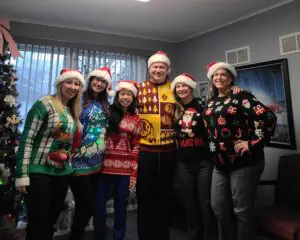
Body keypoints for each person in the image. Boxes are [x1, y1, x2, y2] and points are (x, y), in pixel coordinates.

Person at [203, 61, 277, 240]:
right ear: (212, 80)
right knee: (219, 208)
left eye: (223, 74)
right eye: (215, 75)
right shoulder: (210, 101)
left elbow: (268, 117)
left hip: (244, 162)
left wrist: (252, 143)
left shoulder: (241, 97)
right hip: (220, 165)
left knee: (242, 211)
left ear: (230, 79)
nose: (219, 77)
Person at [15, 68, 85, 240]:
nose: (73, 87)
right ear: (60, 83)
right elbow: (27, 138)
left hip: (62, 173)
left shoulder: (71, 112)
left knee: (50, 222)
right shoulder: (44, 103)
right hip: (39, 172)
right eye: (69, 82)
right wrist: (22, 174)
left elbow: (67, 145)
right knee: (37, 222)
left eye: (77, 84)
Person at [171, 73, 218, 240]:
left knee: (205, 203)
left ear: (191, 87)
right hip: (184, 163)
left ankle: (209, 236)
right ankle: (194, 235)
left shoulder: (202, 105)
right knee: (189, 203)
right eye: (178, 86)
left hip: (204, 162)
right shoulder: (175, 109)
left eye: (184, 85)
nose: (181, 89)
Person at [136, 51, 177, 240]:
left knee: (165, 197)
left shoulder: (176, 89)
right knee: (144, 196)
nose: (158, 70)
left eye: (162, 67)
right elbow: (122, 104)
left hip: (169, 151)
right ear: (149, 69)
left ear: (168, 69)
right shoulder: (139, 89)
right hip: (145, 152)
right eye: (155, 66)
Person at [93, 80, 141, 240]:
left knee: (121, 209)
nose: (125, 97)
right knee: (99, 207)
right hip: (103, 167)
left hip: (125, 170)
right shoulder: (107, 113)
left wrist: (134, 173)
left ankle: (118, 237)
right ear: (118, 96)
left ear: (133, 98)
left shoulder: (136, 119)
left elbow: (136, 146)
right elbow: (98, 136)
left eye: (129, 94)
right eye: (123, 94)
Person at [69, 67, 113, 240]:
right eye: (96, 80)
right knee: (85, 205)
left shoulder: (104, 104)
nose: (99, 83)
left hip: (98, 162)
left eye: (103, 82)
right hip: (78, 161)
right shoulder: (78, 99)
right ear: (90, 80)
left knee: (90, 206)